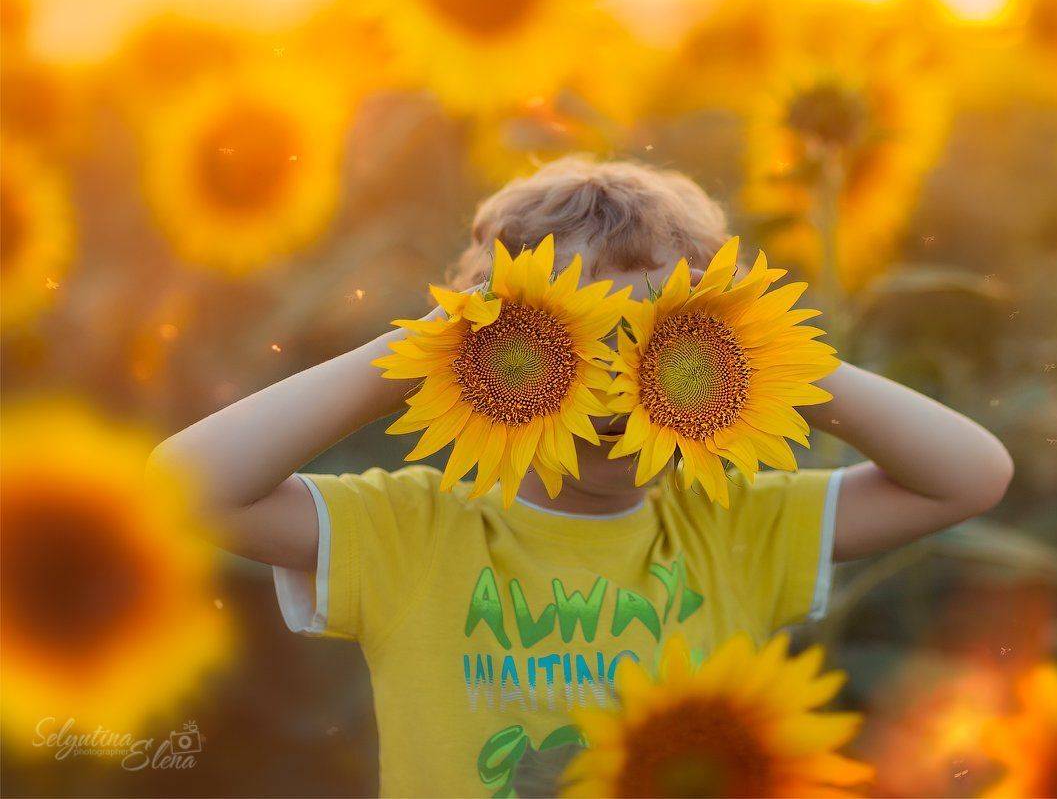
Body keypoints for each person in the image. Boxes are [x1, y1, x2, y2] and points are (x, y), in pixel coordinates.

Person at [153, 157, 1013, 797]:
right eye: (568, 335)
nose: (611, 382)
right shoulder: (415, 532)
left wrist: (765, 354)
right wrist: (416, 353)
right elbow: (184, 487)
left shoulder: (729, 523)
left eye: (653, 338)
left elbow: (970, 475)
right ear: (482, 347)